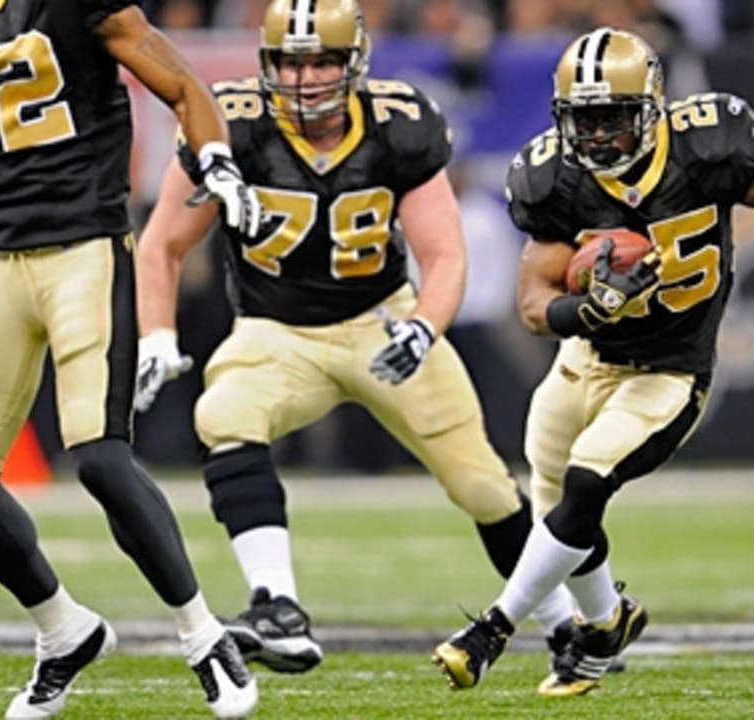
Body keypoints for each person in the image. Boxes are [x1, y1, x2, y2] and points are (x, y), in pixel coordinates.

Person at [133, 0, 577, 676]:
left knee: (483, 485)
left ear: (354, 64)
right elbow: (161, 244)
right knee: (222, 413)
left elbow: (445, 252)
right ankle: (276, 606)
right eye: (290, 61)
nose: (305, 77)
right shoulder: (231, 124)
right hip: (276, 333)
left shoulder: (399, 126)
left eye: (320, 61)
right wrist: (157, 334)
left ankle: (567, 626)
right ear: (267, 64)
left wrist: (425, 326)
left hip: (382, 323)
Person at [433, 27, 754, 697]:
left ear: (652, 108)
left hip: (670, 370)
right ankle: (606, 625)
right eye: (584, 119)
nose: (597, 136)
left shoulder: (709, 145)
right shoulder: (555, 178)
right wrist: (589, 312)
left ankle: (492, 630)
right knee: (558, 509)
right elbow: (534, 304)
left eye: (612, 118)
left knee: (584, 489)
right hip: (586, 358)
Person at [0, 0, 261, 717]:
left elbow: (185, 85)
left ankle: (203, 636)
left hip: (85, 247)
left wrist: (215, 158)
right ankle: (62, 630)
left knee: (98, 457)